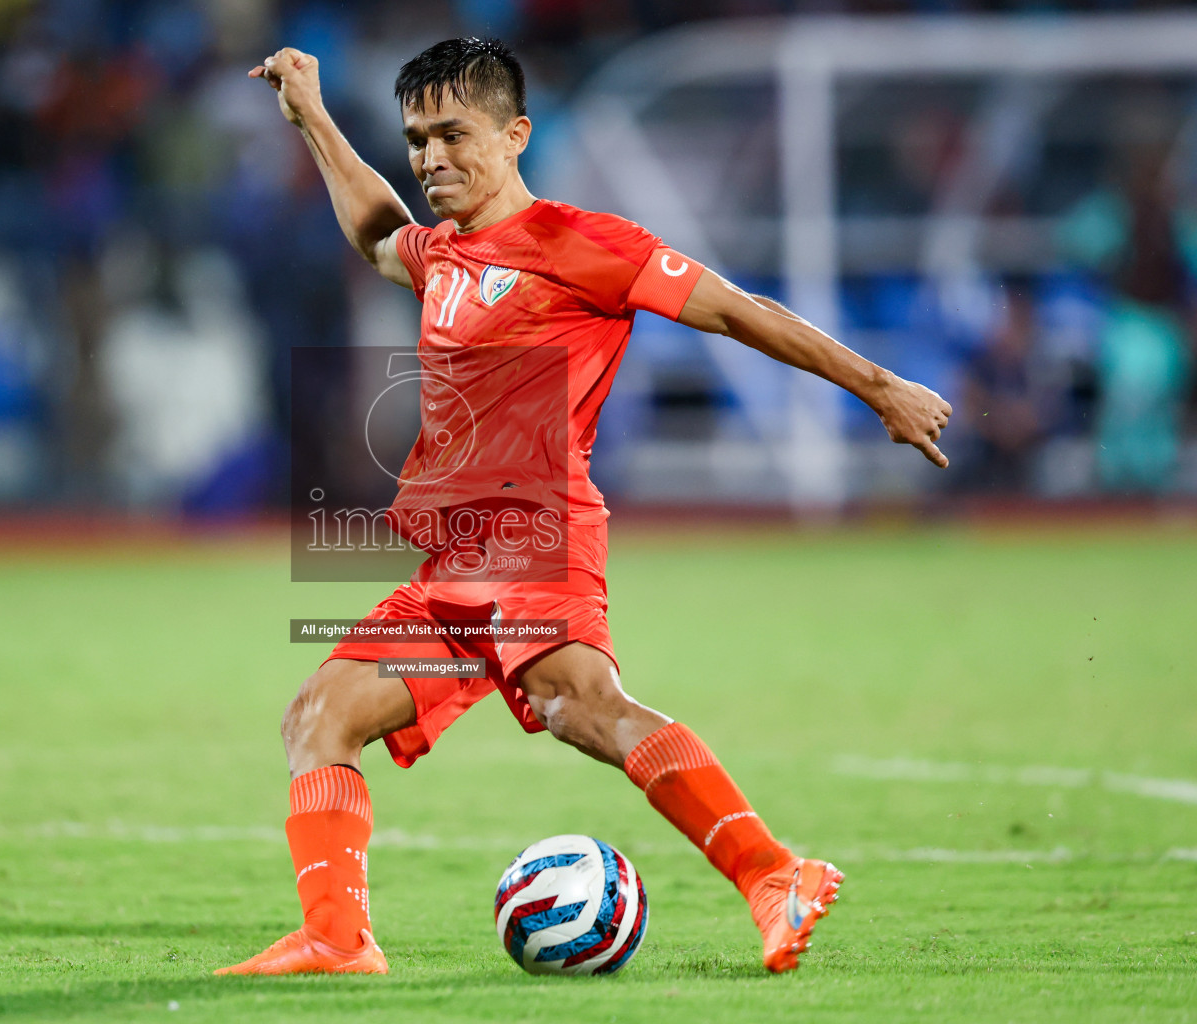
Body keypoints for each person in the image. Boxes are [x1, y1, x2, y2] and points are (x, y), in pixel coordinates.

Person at [219, 38, 951, 978]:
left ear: (515, 134)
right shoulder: (442, 255)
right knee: (318, 716)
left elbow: (735, 310)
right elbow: (373, 233)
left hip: (535, 539)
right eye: (416, 140)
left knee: (583, 707)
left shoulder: (580, 244)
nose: (431, 158)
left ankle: (777, 874)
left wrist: (879, 387)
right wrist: (314, 118)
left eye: (453, 135)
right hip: (450, 574)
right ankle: (337, 938)